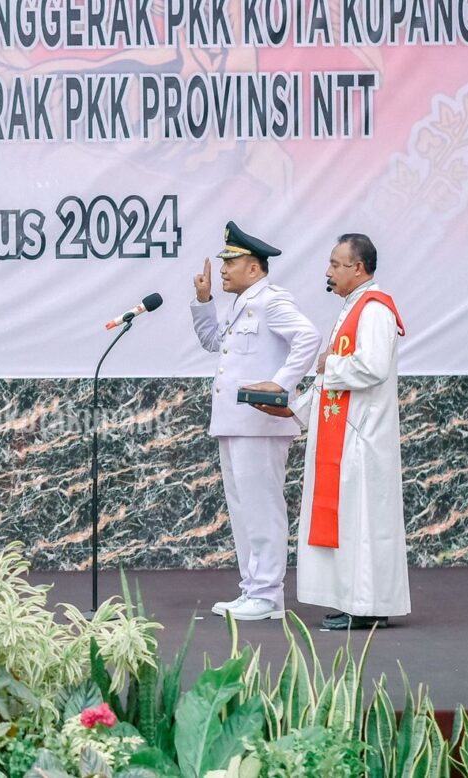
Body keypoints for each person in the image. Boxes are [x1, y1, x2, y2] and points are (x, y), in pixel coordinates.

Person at [248, 233, 410, 629]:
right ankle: (355, 601)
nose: (328, 271)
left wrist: (327, 364)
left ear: (358, 268)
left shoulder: (374, 310)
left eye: (336, 264)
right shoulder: (354, 307)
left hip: (363, 440)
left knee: (364, 526)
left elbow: (371, 368)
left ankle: (368, 607)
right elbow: (334, 387)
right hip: (347, 435)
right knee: (350, 527)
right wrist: (293, 408)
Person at [191, 222, 320, 620]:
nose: (224, 268)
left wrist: (279, 386)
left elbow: (308, 337)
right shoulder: (241, 304)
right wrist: (203, 301)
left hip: (261, 422)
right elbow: (215, 343)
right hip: (234, 422)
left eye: (232, 261)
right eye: (224, 261)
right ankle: (253, 590)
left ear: (255, 268)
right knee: (243, 510)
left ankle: (267, 595)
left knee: (262, 508)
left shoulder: (272, 301)